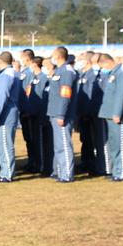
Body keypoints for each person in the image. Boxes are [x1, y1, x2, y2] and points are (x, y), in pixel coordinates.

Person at [97, 54, 123, 181]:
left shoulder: (121, 73)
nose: (102, 68)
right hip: (109, 113)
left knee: (120, 144)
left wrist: (118, 113)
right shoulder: (113, 73)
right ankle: (115, 171)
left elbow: (121, 95)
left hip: (117, 115)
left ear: (106, 62)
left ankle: (120, 172)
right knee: (113, 144)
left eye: (102, 65)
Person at [0, 52, 21, 182]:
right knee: (3, 144)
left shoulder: (6, 75)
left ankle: (7, 173)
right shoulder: (12, 74)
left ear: (0, 61)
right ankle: (4, 172)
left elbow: (2, 97)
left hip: (5, 116)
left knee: (5, 145)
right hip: (7, 114)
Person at [46, 46, 78, 183]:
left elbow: (65, 95)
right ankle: (60, 171)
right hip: (54, 112)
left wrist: (61, 114)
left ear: (59, 56)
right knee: (58, 145)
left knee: (64, 145)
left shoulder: (66, 71)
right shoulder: (59, 70)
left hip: (61, 115)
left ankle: (67, 174)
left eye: (53, 55)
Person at [77, 53, 105, 176]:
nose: (80, 61)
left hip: (91, 113)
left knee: (94, 140)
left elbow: (91, 95)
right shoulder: (82, 73)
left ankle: (95, 165)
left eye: (82, 59)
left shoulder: (93, 74)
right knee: (85, 140)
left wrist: (88, 112)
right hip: (83, 112)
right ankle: (86, 162)